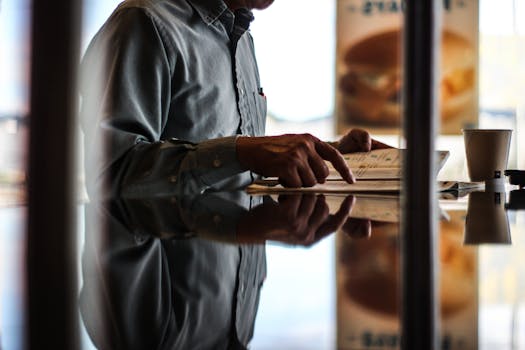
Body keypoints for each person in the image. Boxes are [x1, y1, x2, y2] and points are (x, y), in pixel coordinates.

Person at [80, 0, 387, 198]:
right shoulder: (143, 22)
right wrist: (242, 152)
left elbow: (240, 163)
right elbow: (110, 176)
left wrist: (326, 153)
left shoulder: (241, 38)